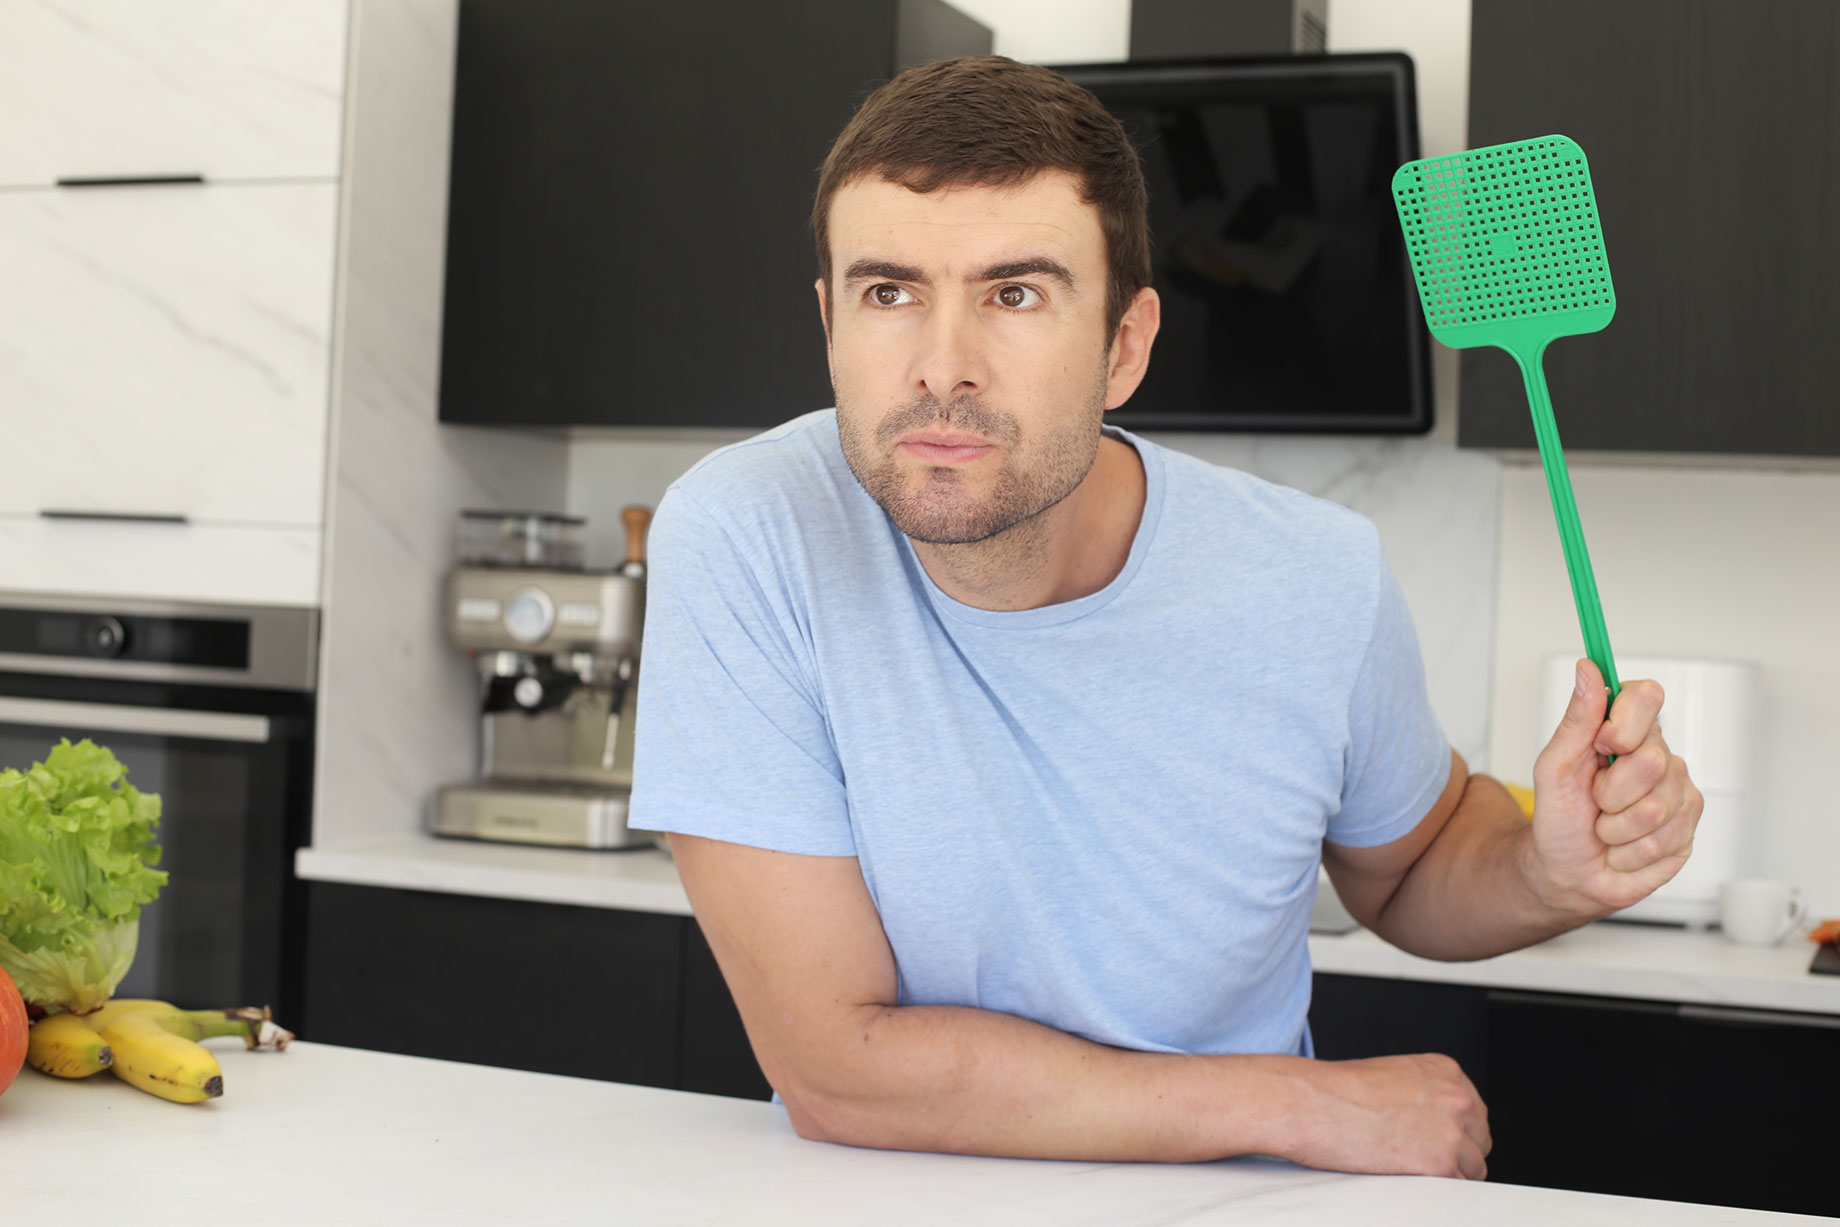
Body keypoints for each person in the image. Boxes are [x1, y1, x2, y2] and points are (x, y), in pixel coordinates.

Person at [628, 56, 1703, 1181]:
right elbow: (837, 1065)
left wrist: (1549, 870)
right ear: (830, 324)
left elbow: (1413, 866)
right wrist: (1294, 1105)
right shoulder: (748, 536)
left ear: (1126, 345)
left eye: (1015, 293)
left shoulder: (1314, 574)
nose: (940, 367)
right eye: (887, 292)